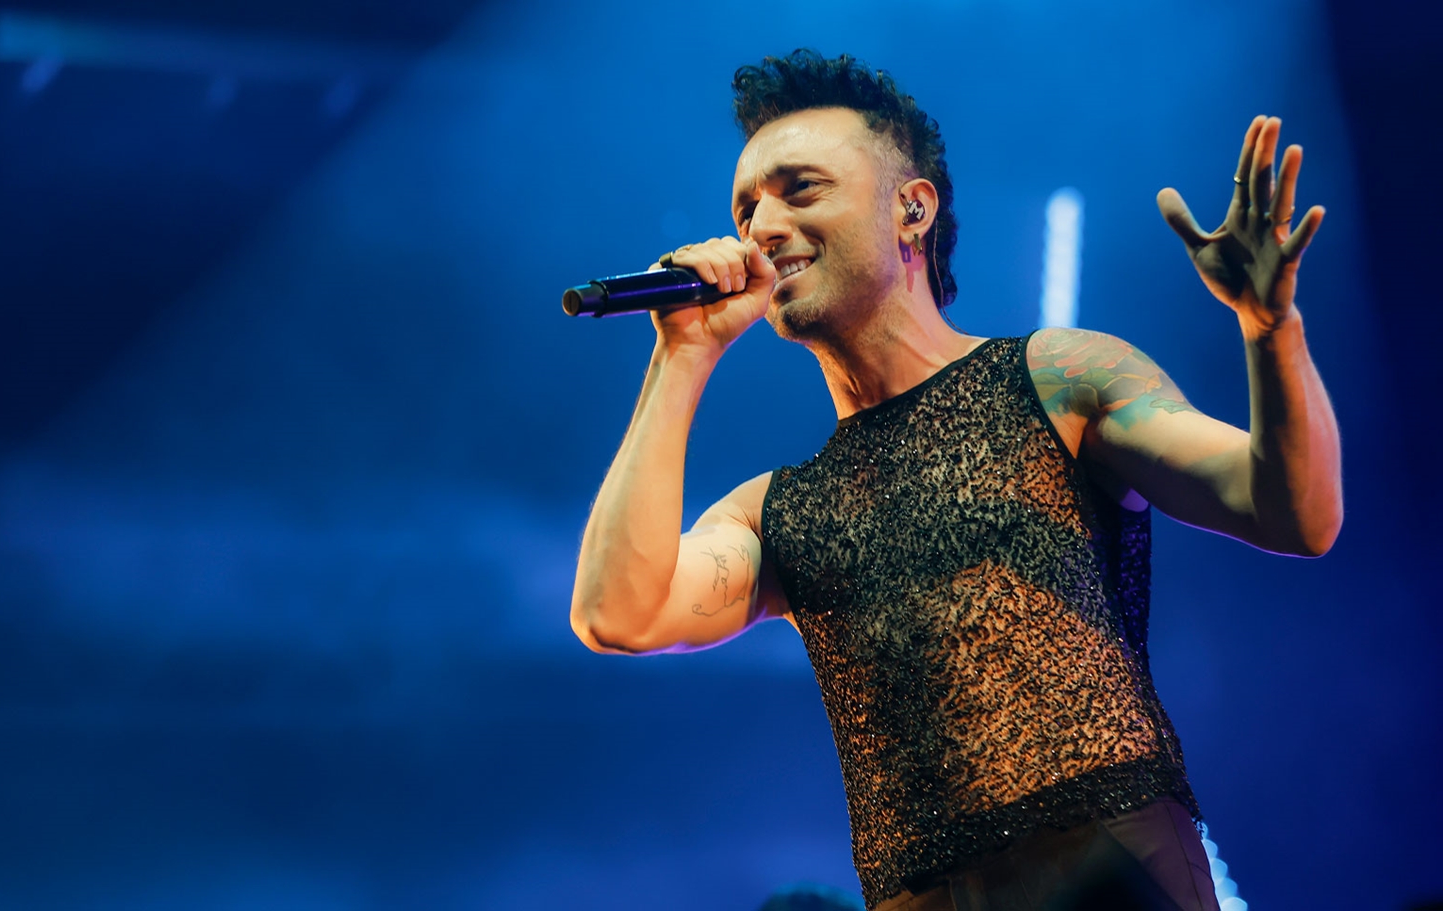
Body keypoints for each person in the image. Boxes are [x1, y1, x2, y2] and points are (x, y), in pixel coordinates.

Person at [568, 50, 1341, 911]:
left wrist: (1271, 327)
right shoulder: (775, 511)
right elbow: (616, 613)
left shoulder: (1059, 379)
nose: (763, 228)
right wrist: (682, 354)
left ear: (912, 208)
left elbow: (1293, 513)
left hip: (1107, 868)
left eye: (801, 190)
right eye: (746, 208)